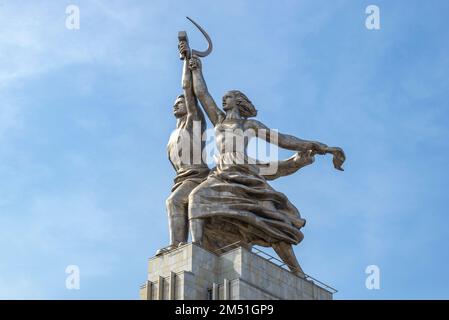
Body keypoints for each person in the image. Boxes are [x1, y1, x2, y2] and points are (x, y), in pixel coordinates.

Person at [187, 56, 345, 275]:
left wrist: (319, 146)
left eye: (229, 97)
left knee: (271, 222)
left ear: (239, 101)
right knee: (196, 197)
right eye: (223, 97)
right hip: (222, 174)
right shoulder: (220, 121)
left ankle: (296, 270)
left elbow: (284, 140)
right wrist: (196, 69)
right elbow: (203, 95)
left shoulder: (249, 124)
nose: (224, 100)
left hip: (245, 176)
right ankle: (195, 248)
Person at [156, 41, 210, 255]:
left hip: (197, 177)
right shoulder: (173, 134)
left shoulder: (194, 122)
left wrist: (186, 60)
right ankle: (179, 244)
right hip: (182, 178)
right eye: (174, 103)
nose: (175, 104)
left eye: (180, 102)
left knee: (174, 202)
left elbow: (188, 89)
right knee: (175, 201)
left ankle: (177, 244)